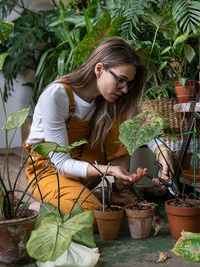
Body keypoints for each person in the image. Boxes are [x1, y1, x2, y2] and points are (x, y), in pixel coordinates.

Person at [24, 38, 173, 214]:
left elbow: (142, 127)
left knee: (123, 111)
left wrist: (163, 152)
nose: (125, 88)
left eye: (129, 83)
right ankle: (33, 211)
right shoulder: (57, 96)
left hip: (85, 171)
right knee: (91, 216)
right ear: (99, 69)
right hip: (50, 172)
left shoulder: (112, 99)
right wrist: (111, 170)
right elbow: (61, 163)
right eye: (121, 80)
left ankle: (121, 193)